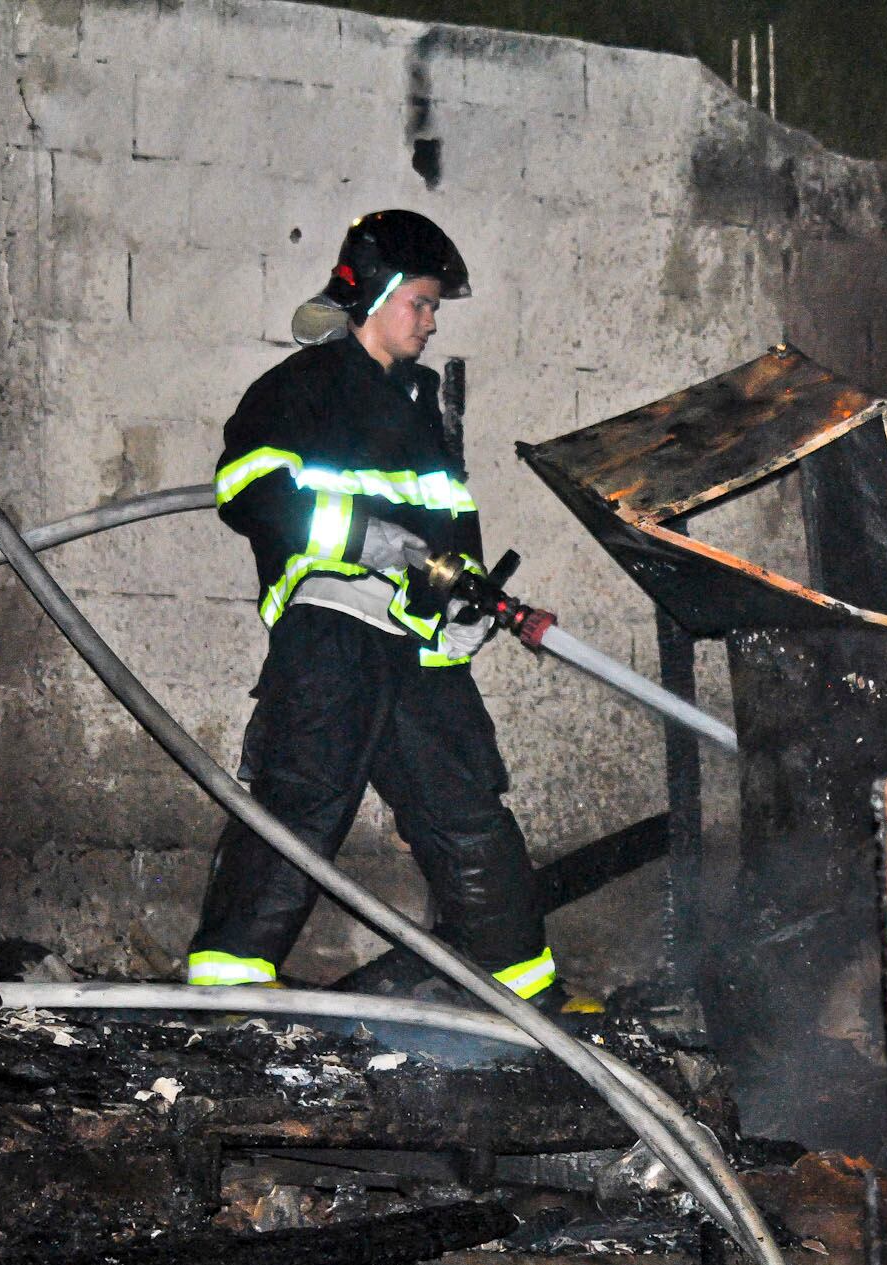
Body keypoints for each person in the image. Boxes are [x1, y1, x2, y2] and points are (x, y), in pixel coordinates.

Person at [187, 209, 595, 1015]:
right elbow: (246, 490)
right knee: (301, 797)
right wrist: (359, 537)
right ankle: (227, 993)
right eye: (421, 301)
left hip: (415, 641)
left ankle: (526, 997)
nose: (431, 320)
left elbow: (452, 527)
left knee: (467, 811)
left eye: (435, 305)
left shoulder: (419, 409)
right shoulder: (300, 387)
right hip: (333, 629)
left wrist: (466, 605)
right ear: (373, 295)